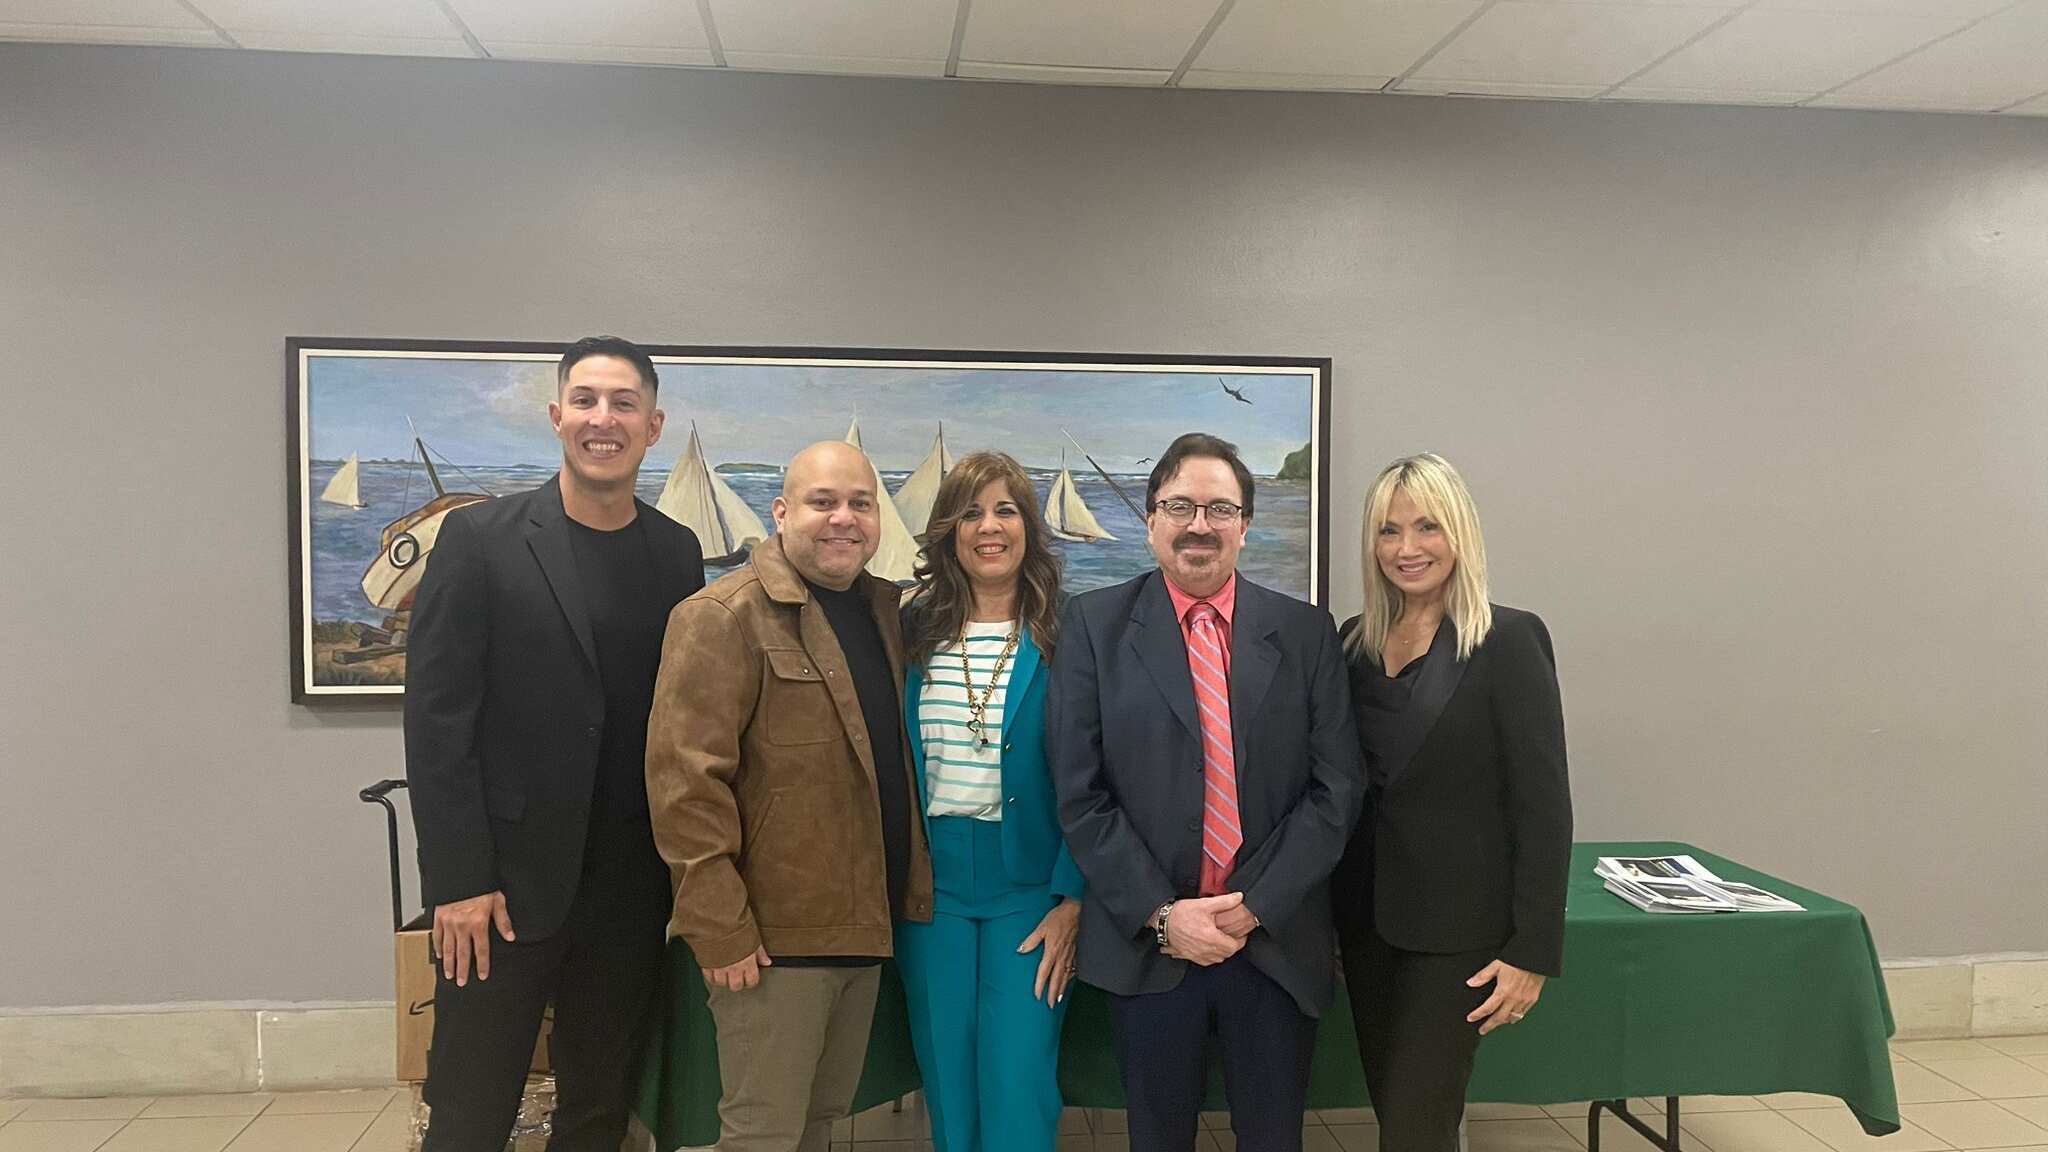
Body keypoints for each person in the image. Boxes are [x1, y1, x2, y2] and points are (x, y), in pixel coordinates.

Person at [405, 335, 706, 1151]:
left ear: (653, 425)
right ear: (556, 416)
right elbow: (437, 726)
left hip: (630, 889)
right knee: (469, 1112)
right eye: (586, 400)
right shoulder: (480, 541)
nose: (602, 419)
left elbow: (683, 719)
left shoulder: (677, 551)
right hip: (499, 893)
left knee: (599, 1110)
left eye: (623, 404)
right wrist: (458, 884)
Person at [1050, 432, 1363, 1152]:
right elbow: (1080, 793)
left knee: (1272, 1139)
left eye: (1219, 508)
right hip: (1152, 950)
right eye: (1180, 505)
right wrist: (1165, 916)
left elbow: (1337, 787)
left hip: (1275, 943)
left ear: (1245, 525)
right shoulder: (1093, 628)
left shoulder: (1306, 633)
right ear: (1151, 519)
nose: (1199, 524)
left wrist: (1254, 907)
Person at [646, 440, 934, 1152]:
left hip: (862, 927)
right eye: (822, 502)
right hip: (772, 943)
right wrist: (721, 927)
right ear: (781, 513)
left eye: (860, 504)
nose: (843, 519)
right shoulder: (722, 616)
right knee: (761, 1136)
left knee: (817, 1126)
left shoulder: (882, 614)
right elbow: (684, 784)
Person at [1331, 452, 1573, 1152]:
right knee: (1396, 1114)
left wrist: (1534, 951)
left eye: (1427, 527)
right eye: (1388, 531)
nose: (1407, 549)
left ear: (1459, 533)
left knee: (1416, 1126)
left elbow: (1544, 805)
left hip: (1459, 937)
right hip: (1367, 929)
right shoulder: (1353, 642)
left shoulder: (1510, 640)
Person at [896, 452, 1083, 1152]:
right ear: (948, 531)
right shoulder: (910, 633)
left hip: (1030, 888)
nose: (988, 527)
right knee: (948, 1077)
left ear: (1029, 526)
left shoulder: (1071, 635)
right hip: (930, 889)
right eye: (971, 512)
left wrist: (1075, 899)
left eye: (1005, 509)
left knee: (1018, 1077)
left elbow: (1097, 774)